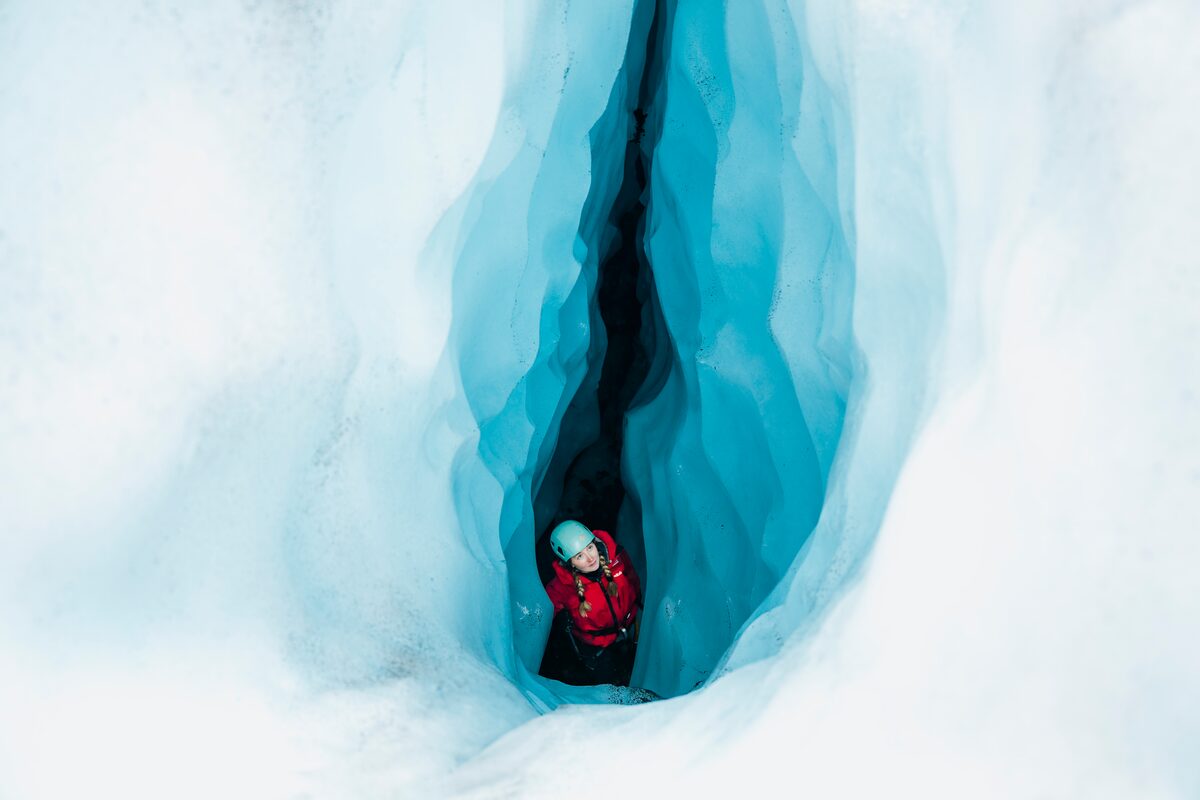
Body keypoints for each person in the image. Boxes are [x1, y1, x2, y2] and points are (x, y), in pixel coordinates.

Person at [544, 520, 642, 686]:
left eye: (590, 547)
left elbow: (633, 581)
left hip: (631, 627)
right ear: (570, 563)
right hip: (597, 647)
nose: (590, 558)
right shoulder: (563, 587)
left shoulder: (617, 558)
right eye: (579, 556)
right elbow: (545, 612)